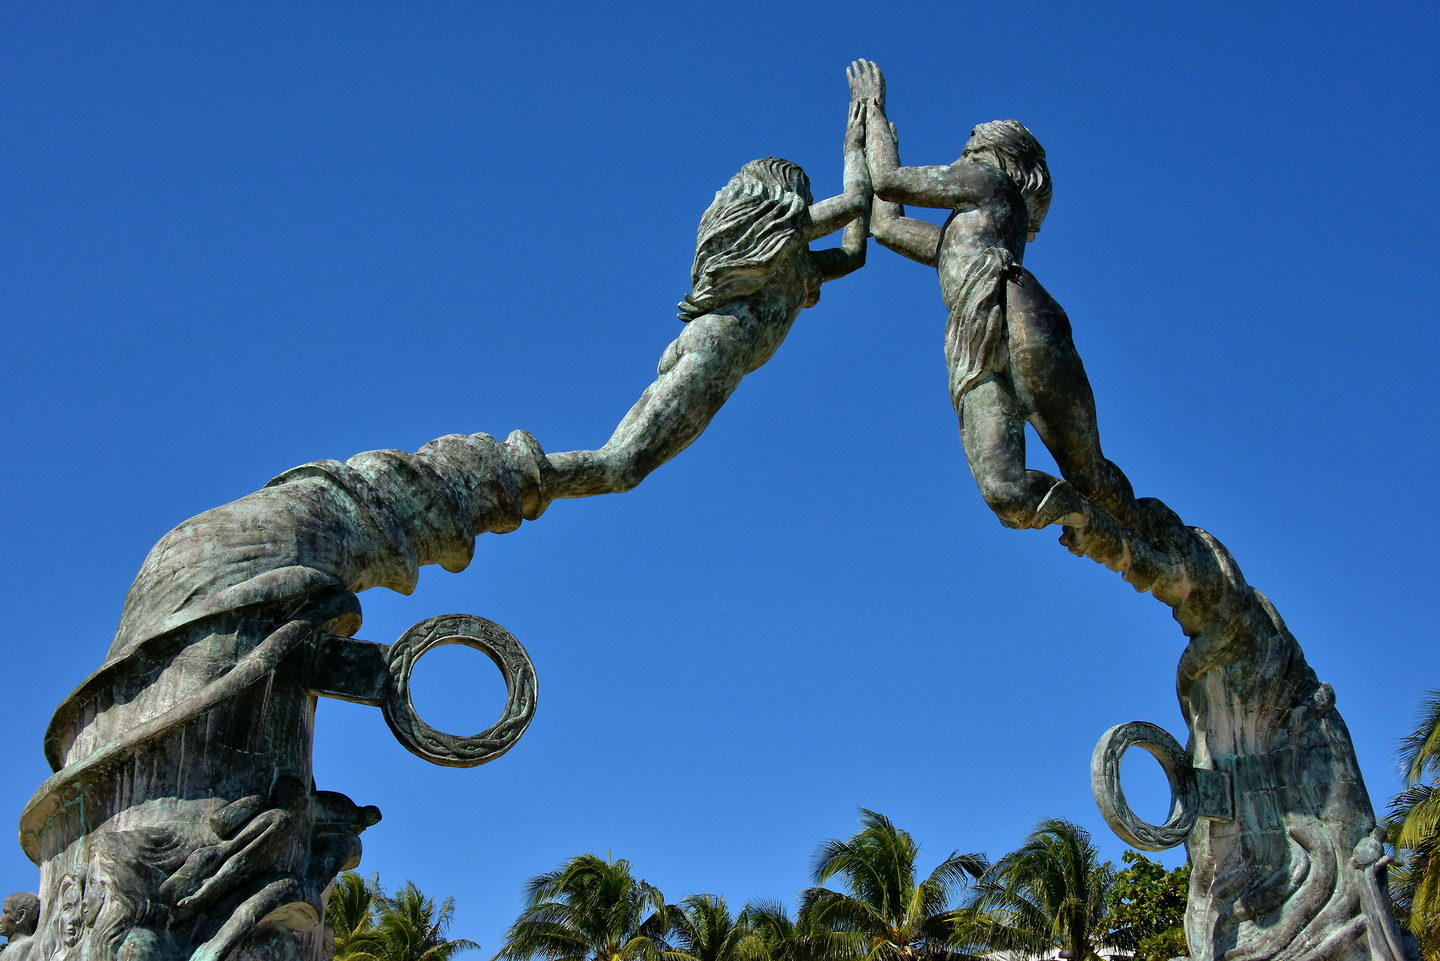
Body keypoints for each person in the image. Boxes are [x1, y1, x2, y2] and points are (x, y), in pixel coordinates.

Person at [850, 59, 1142, 532]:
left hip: (1016, 312)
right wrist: (859, 146)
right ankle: (1094, 526)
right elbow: (886, 226)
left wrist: (874, 110)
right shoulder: (959, 237)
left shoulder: (989, 181)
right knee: (1005, 493)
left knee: (1086, 469)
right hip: (971, 334)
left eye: (968, 149)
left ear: (996, 155)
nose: (959, 159)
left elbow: (888, 181)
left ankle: (1151, 534)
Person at [549, 95, 870, 496]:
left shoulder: (798, 263)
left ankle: (503, 484)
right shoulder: (791, 235)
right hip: (722, 345)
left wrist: (872, 167)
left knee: (620, 465)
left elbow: (854, 254)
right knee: (620, 466)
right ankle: (487, 480)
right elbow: (856, 201)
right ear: (786, 196)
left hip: (714, 343)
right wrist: (856, 147)